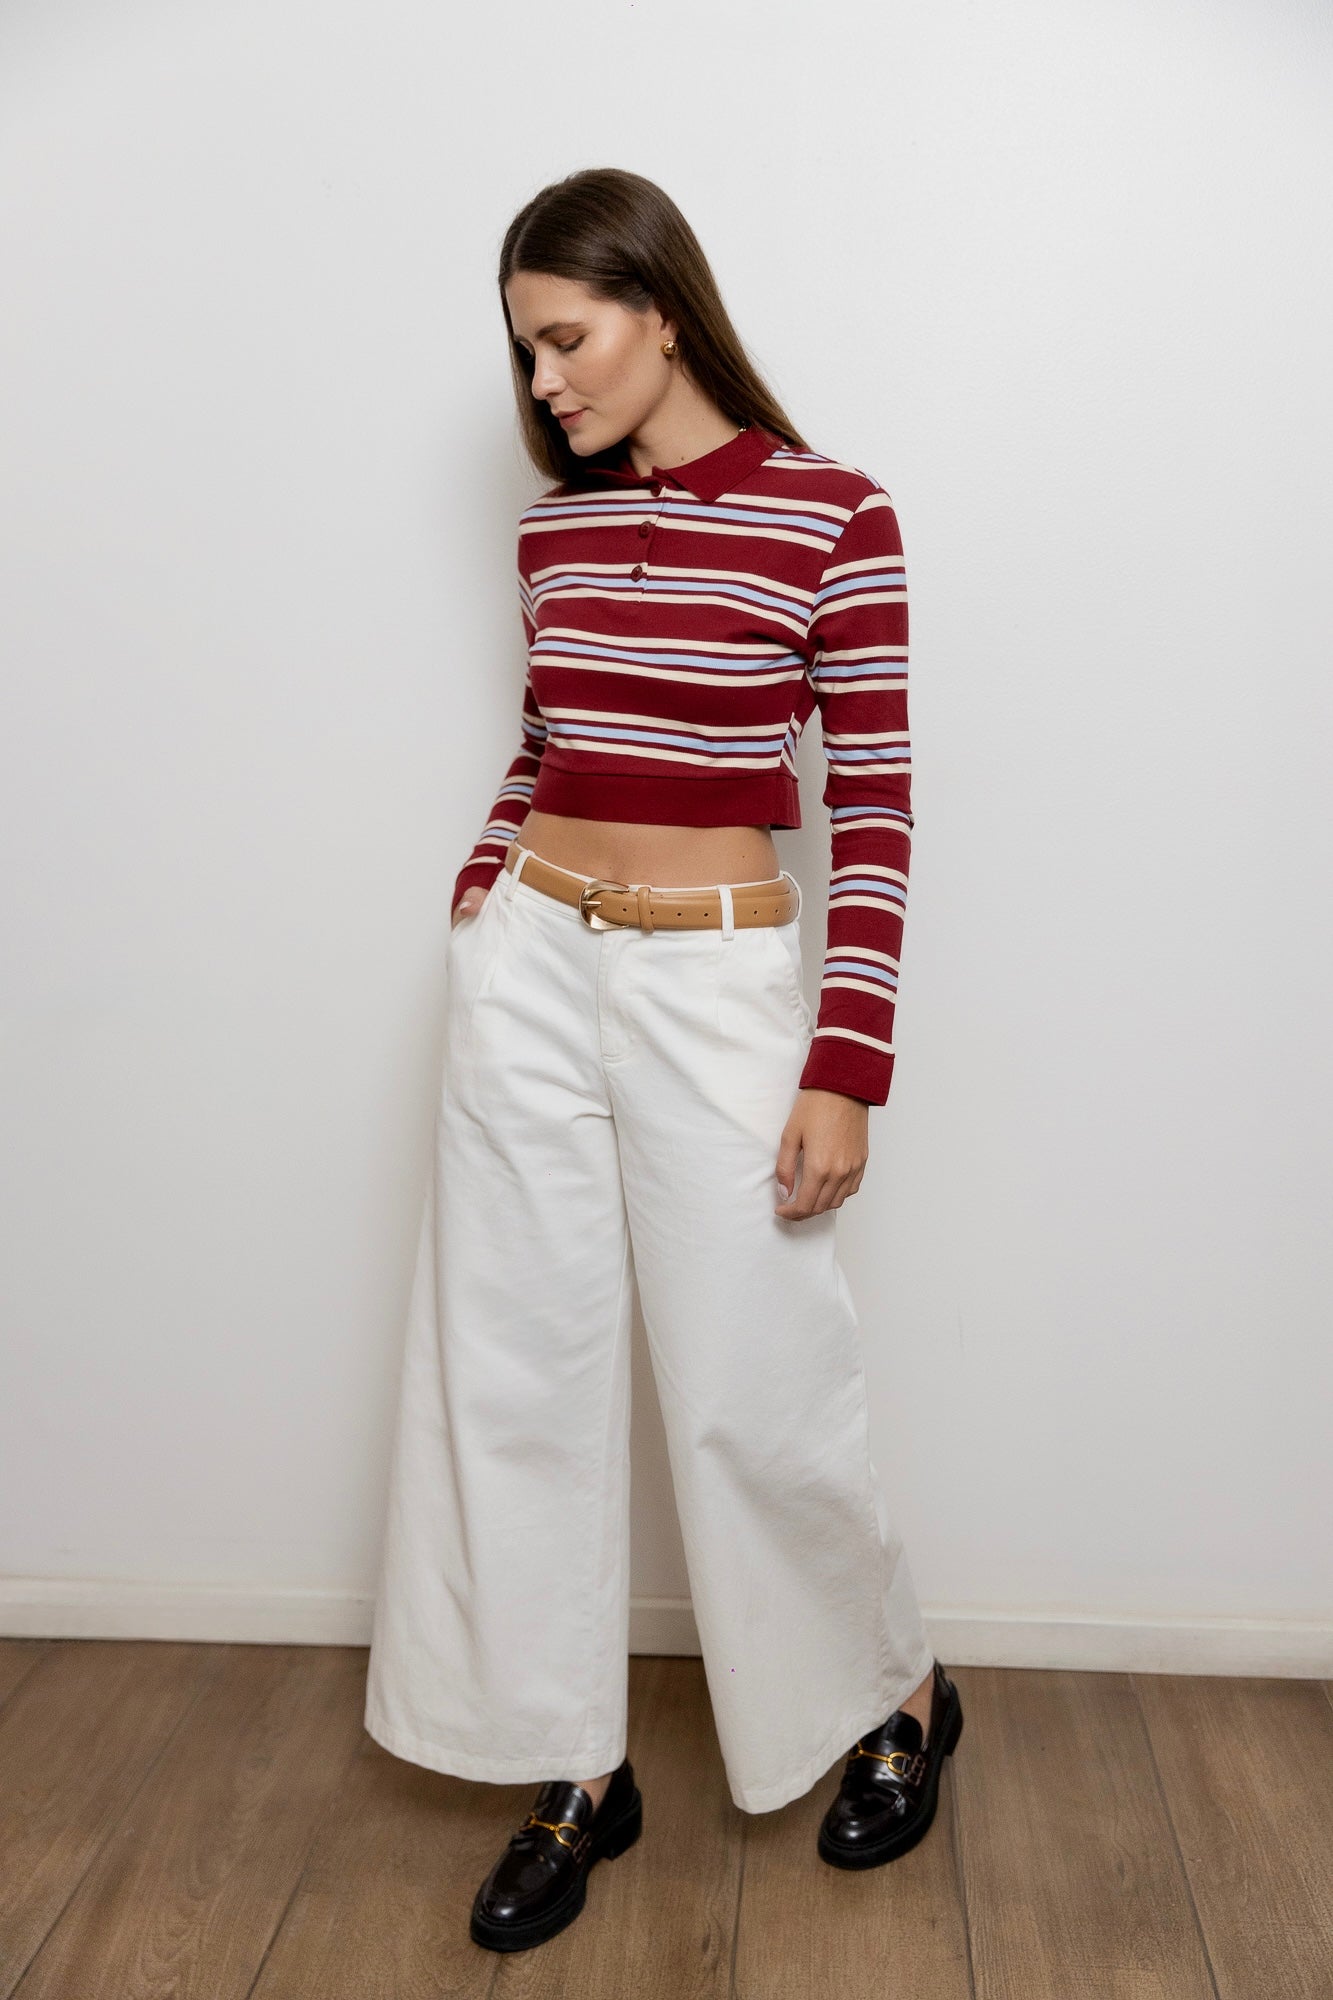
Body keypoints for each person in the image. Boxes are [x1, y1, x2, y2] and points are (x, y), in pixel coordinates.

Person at [364, 167, 963, 1955]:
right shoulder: (552, 534)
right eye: (523, 352)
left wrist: (844, 1060)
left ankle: (894, 1692)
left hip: (718, 984)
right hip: (530, 971)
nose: (542, 380)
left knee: (752, 1380)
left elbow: (875, 806)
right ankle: (570, 1762)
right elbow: (545, 742)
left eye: (565, 338)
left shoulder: (834, 516)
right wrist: (484, 898)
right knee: (514, 1376)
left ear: (664, 314)